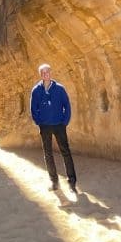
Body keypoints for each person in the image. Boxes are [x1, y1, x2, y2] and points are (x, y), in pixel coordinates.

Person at [30, 63, 78, 194]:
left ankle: (72, 182)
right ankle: (54, 182)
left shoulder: (60, 89)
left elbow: (66, 105)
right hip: (45, 126)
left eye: (47, 72)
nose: (46, 74)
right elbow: (34, 108)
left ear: (50, 73)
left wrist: (65, 121)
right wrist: (39, 121)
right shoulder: (36, 90)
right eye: (43, 72)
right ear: (41, 75)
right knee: (48, 154)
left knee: (65, 152)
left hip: (59, 125)